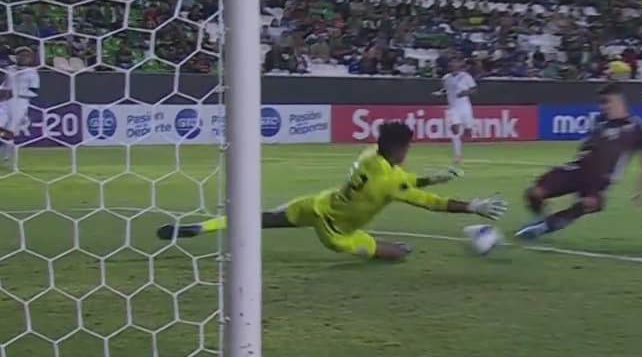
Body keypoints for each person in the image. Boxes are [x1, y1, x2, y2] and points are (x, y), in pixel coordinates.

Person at [156, 121, 508, 260]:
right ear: (399, 148)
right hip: (337, 233)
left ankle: (202, 226)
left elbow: (404, 181)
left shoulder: (370, 156)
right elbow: (432, 204)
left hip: (317, 204)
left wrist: (433, 177)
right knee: (396, 254)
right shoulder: (391, 181)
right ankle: (393, 248)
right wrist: (472, 206)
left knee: (259, 219)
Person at [515, 84, 642, 240]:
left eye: (607, 101)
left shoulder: (637, 128)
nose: (603, 106)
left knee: (588, 203)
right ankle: (540, 217)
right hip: (578, 169)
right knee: (534, 193)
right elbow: (586, 148)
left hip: (600, 181)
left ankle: (543, 227)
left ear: (619, 101)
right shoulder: (600, 122)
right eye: (601, 102)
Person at [0, 47, 40, 168]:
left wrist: (16, 94)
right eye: (21, 55)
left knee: (9, 132)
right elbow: (4, 84)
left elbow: (34, 92)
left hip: (20, 104)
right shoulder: (9, 69)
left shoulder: (32, 73)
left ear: (30, 58)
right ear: (16, 56)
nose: (23, 57)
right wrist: (2, 91)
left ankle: (8, 158)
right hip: (5, 102)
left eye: (26, 55)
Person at [439, 57, 477, 165]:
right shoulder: (446, 78)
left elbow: (474, 90)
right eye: (451, 63)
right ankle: (457, 155)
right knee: (455, 130)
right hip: (453, 107)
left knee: (467, 131)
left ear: (459, 64)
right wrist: (440, 93)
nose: (453, 65)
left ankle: (469, 129)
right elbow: (445, 90)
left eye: (455, 62)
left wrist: (465, 93)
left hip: (464, 106)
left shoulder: (466, 76)